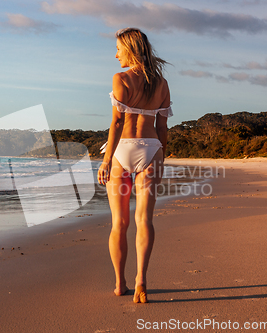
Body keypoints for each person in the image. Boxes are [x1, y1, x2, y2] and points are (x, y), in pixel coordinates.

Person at [98, 27, 172, 303]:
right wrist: (161, 156)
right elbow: (162, 126)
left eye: (118, 48)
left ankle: (120, 284)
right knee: (144, 220)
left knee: (120, 222)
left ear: (129, 49)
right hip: (151, 150)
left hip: (122, 152)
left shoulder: (121, 79)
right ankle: (142, 280)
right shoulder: (161, 84)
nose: (116, 54)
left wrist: (106, 161)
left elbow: (117, 123)